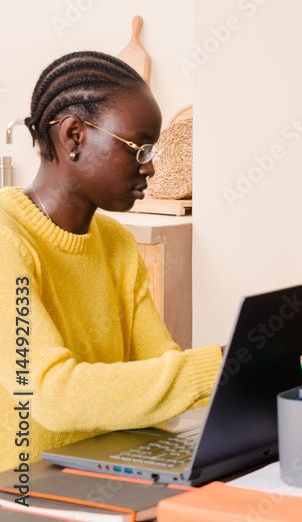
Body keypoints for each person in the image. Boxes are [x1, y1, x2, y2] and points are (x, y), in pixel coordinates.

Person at [0, 51, 222, 469]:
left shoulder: (117, 243)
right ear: (73, 136)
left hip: (108, 469)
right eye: (139, 149)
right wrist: (217, 366)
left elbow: (160, 372)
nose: (151, 167)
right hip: (26, 487)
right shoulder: (6, 240)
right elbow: (52, 395)